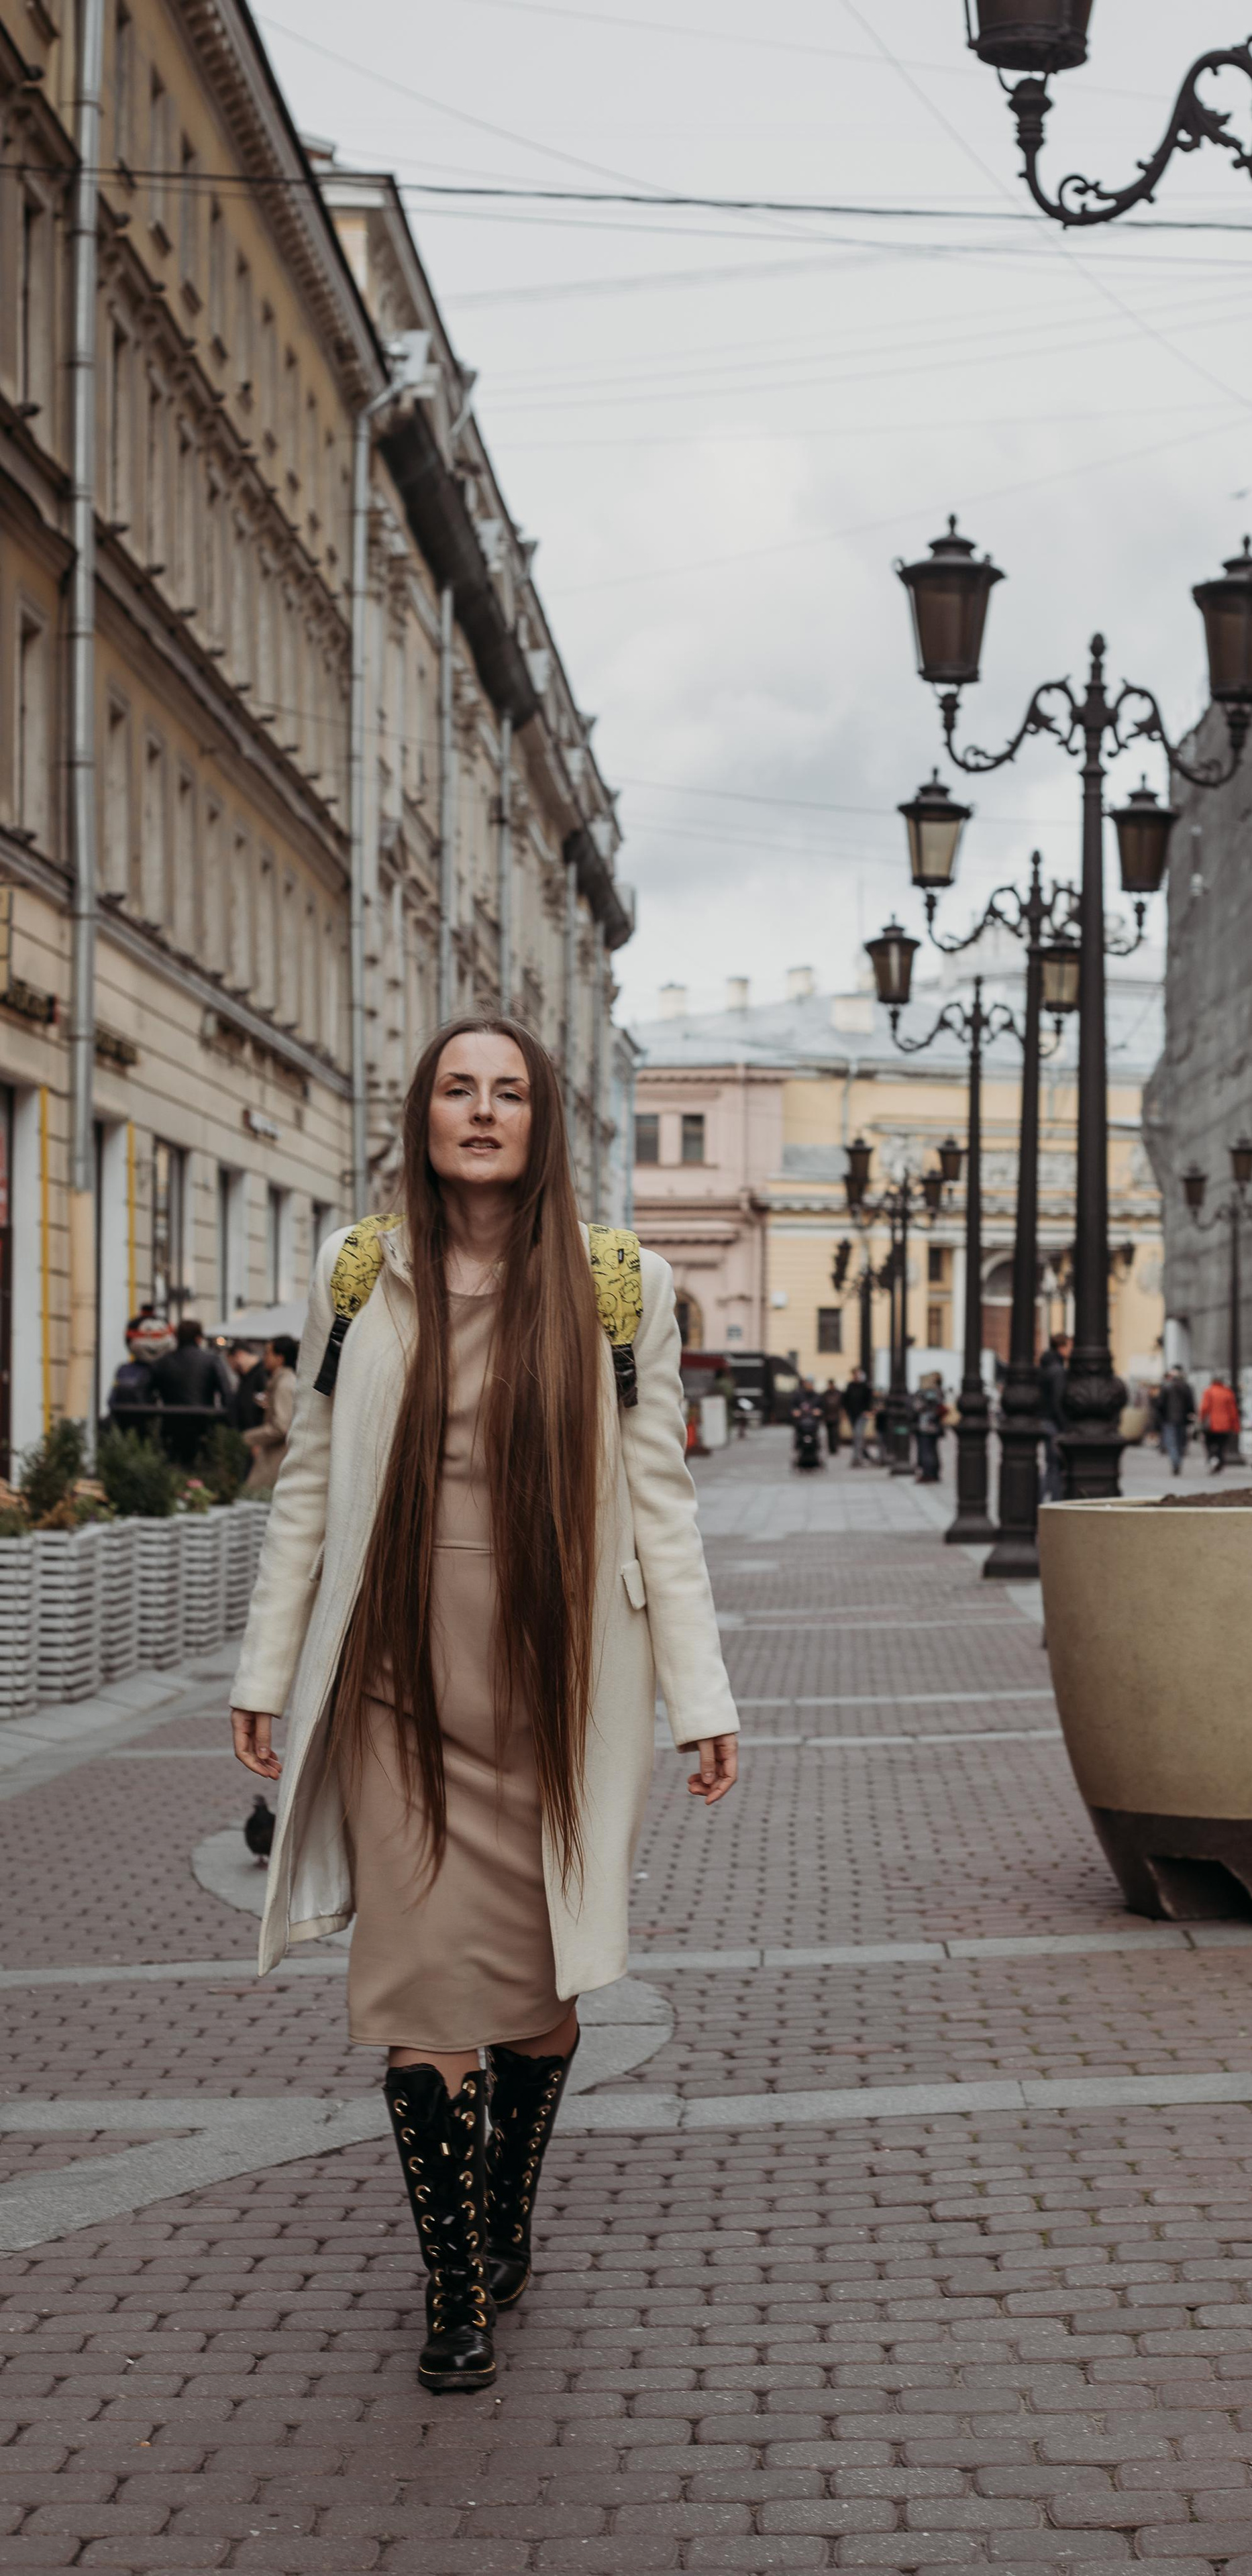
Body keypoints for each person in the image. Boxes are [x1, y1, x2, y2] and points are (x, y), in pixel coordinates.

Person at [228, 1017, 739, 2398]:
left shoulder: (617, 1283)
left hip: (555, 1677)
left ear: (541, 1124)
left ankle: (506, 2206)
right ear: (424, 1113)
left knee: (540, 1990)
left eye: (508, 1093)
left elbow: (659, 1506)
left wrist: (700, 1695)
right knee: (418, 1984)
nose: (480, 1111)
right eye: (458, 1088)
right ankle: (454, 2283)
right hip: (394, 1666)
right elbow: (307, 1487)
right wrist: (267, 1671)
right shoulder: (360, 1268)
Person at [149, 1318, 227, 1466]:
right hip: (203, 1426)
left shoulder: (162, 1362)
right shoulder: (212, 1360)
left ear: (177, 1337)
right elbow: (226, 1393)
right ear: (199, 1338)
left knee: (171, 1467)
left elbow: (147, 1391)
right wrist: (223, 1421)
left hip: (171, 1426)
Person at [242, 1336, 299, 1495]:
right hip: (274, 1456)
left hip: (275, 1459)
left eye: (268, 1353)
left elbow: (281, 1427)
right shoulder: (282, 1382)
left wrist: (248, 1438)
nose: (264, 1358)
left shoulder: (284, 1384)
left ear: (280, 1358)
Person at [1038, 1331, 1071, 1501]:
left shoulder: (1044, 1367)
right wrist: (1064, 1425)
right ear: (1062, 1347)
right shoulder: (1058, 1371)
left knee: (1052, 1464)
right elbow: (1058, 1400)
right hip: (1053, 1422)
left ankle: (1045, 1498)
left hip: (1044, 1420)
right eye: (1069, 1346)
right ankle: (1050, 1500)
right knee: (1055, 1465)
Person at [1198, 1372, 1241, 1472]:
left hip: (1211, 1425)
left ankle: (1212, 1458)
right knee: (1221, 1445)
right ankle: (1219, 1461)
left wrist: (1201, 1420)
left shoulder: (1209, 1392)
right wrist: (1236, 1426)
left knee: (1209, 1443)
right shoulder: (1228, 1392)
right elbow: (1233, 1411)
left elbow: (1204, 1408)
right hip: (1225, 1425)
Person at [1157, 1364, 1194, 1476]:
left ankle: (1175, 1463)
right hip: (1182, 1419)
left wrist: (1161, 1418)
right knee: (1181, 1443)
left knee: (1172, 1443)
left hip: (1169, 1419)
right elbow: (1191, 1404)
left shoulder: (1166, 1387)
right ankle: (1178, 1462)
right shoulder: (1186, 1387)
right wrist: (1190, 1416)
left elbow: (1160, 1404)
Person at [227, 1344, 268, 1437]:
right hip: (247, 1436)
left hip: (256, 1437)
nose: (232, 1368)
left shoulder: (262, 1374)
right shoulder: (245, 1377)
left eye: (231, 1363)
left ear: (239, 1355)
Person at [913, 1374, 948, 1483]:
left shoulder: (923, 1392)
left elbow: (917, 1407)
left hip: (925, 1425)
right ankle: (935, 1473)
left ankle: (928, 1474)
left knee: (925, 1450)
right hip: (936, 1425)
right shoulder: (938, 1391)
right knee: (933, 1450)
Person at [841, 1366, 872, 1468]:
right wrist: (845, 1413)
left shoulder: (865, 1386)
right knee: (857, 1437)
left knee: (858, 1436)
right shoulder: (850, 1386)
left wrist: (868, 1411)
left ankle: (857, 1458)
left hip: (862, 1415)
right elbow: (845, 1400)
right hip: (852, 1415)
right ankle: (863, 1455)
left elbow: (869, 1400)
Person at [819, 1377, 845, 1456]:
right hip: (828, 1417)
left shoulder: (838, 1393)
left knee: (835, 1433)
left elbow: (842, 1405)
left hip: (836, 1416)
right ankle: (831, 1448)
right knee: (830, 1433)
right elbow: (823, 1406)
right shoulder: (825, 1394)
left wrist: (843, 1414)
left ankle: (835, 1447)